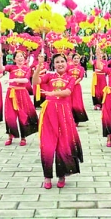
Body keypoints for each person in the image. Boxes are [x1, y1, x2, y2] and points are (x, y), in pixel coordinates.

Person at [32, 53, 83, 189]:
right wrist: (38, 67)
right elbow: (35, 82)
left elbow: (67, 92)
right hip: (49, 113)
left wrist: (52, 94)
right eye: (57, 62)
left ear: (67, 63)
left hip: (64, 113)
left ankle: (62, 174)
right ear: (53, 65)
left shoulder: (71, 78)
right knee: (47, 144)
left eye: (62, 61)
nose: (60, 64)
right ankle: (47, 176)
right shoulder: (49, 76)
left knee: (63, 144)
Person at [0, 50, 38, 146]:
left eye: (22, 56)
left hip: (22, 94)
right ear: (14, 59)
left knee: (23, 115)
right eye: (18, 56)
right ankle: (10, 136)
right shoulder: (11, 67)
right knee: (10, 116)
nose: (20, 58)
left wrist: (13, 79)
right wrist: (0, 58)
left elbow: (25, 80)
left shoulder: (27, 69)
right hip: (11, 94)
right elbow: (1, 68)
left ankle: (23, 137)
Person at [67, 53, 89, 126]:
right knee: (69, 103)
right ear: (72, 59)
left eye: (77, 58)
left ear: (80, 60)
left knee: (76, 103)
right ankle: (69, 119)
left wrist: (73, 83)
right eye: (75, 58)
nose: (76, 60)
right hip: (69, 87)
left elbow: (80, 77)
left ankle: (77, 119)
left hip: (76, 88)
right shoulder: (68, 67)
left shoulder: (81, 68)